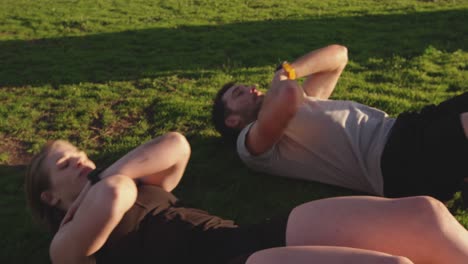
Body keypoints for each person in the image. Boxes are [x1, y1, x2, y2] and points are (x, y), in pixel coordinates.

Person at [25, 132, 468, 264]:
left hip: (244, 237)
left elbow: (177, 145)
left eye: (81, 154)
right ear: (49, 196)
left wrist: (112, 172)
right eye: (66, 165)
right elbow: (114, 195)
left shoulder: (132, 183)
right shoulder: (66, 244)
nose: (82, 163)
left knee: (422, 216)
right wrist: (108, 181)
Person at [212, 44, 468, 201]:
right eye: (239, 94)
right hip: (395, 161)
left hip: (405, 128)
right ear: (232, 120)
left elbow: (338, 56)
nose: (251, 88)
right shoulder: (250, 144)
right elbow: (288, 96)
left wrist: (289, 72)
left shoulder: (301, 104)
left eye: (245, 86)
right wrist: (280, 81)